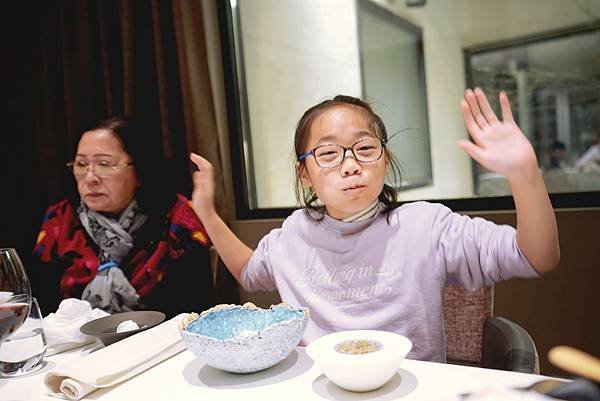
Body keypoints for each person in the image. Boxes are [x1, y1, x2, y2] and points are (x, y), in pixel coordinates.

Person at [189, 88, 560, 362]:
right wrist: (206, 212)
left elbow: (536, 257)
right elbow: (250, 274)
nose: (350, 164)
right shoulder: (292, 234)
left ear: (385, 159)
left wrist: (524, 176)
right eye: (329, 153)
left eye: (365, 148)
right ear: (304, 173)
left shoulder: (426, 226)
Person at [31, 117, 214, 317]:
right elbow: (42, 310)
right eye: (81, 164)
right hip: (79, 344)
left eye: (104, 164)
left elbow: (197, 308)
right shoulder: (60, 219)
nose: (90, 177)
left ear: (139, 170)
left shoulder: (178, 218)